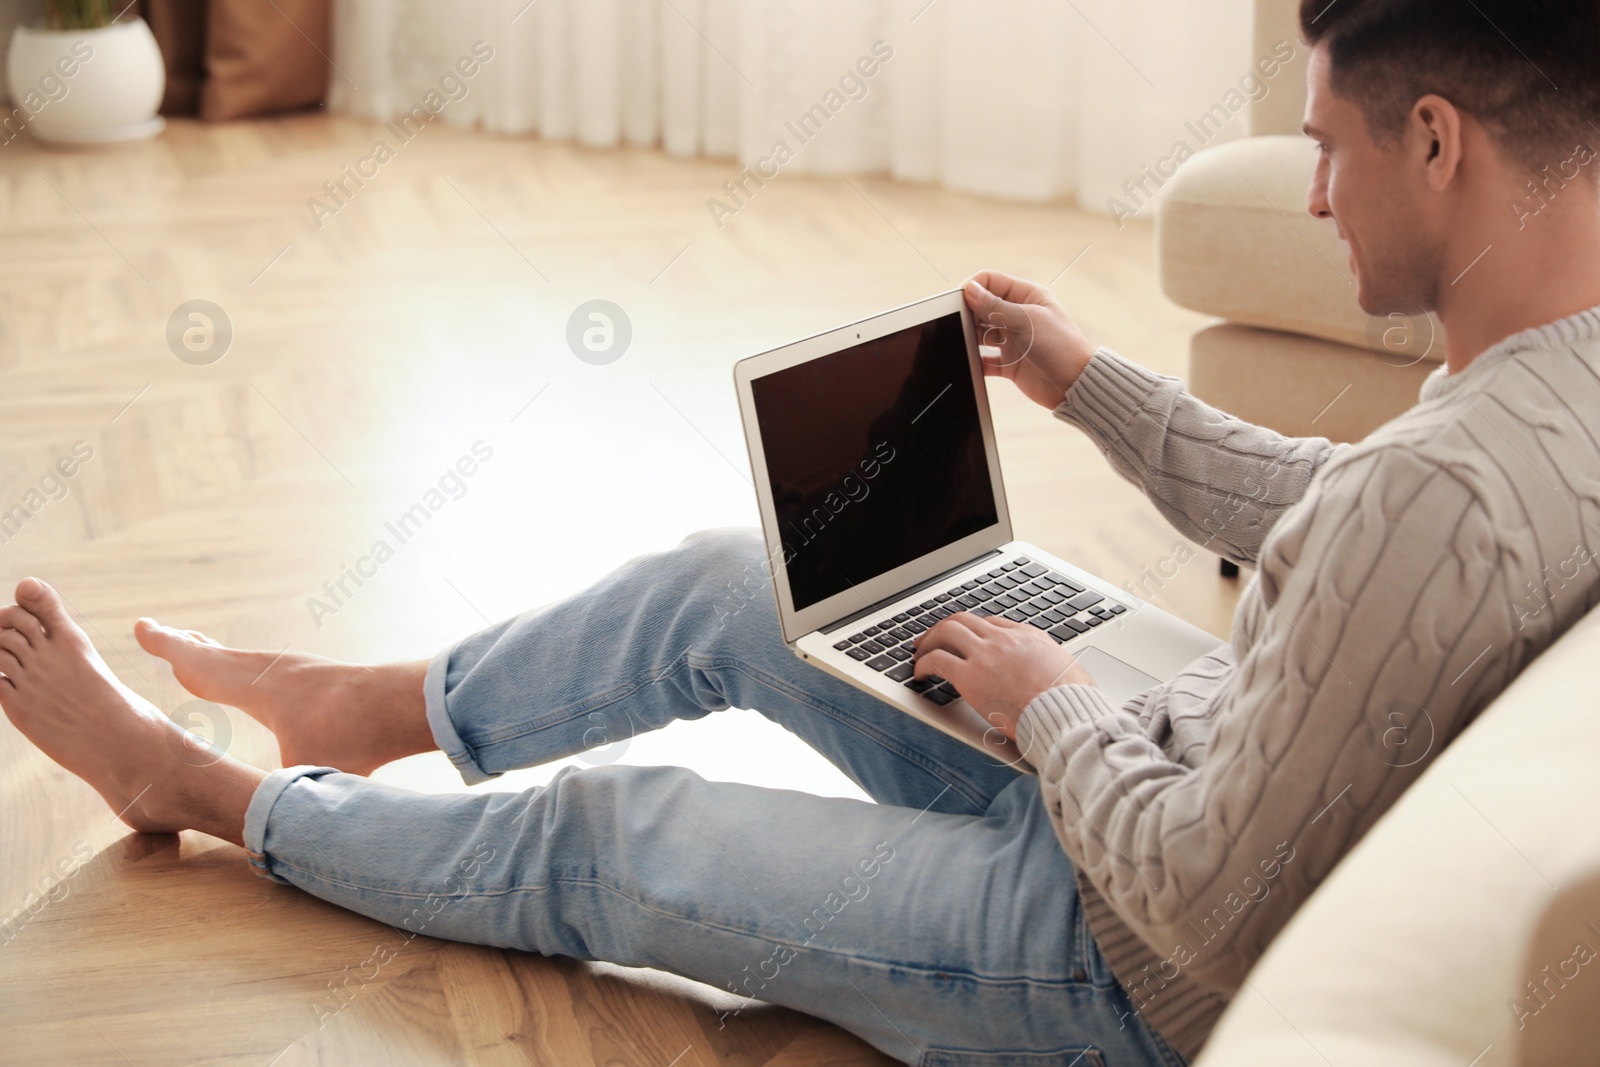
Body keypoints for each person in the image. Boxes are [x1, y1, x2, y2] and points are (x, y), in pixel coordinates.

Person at [6, 1, 1600, 1062]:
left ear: (1441, 141)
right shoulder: (1556, 376)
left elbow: (1201, 902)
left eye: (1328, 146)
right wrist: (1084, 381)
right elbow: (1346, 526)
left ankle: (208, 789)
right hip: (1171, 776)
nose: (1315, 197)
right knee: (732, 584)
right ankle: (364, 710)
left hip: (1127, 963)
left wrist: (1052, 703)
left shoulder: (1444, 489)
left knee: (613, 839)